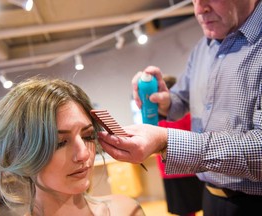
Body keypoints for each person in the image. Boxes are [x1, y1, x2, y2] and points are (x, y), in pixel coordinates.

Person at [97, 0, 262, 215]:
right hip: (210, 196)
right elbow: (181, 100)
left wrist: (166, 141)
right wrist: (164, 101)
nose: (199, 9)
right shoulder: (203, 48)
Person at [0, 77, 145, 216]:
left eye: (87, 136)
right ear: (21, 154)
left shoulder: (126, 211)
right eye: (59, 142)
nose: (84, 154)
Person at [157, 75, 203, 216]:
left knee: (185, 211)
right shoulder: (188, 114)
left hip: (175, 170)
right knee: (198, 206)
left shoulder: (159, 118)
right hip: (190, 167)